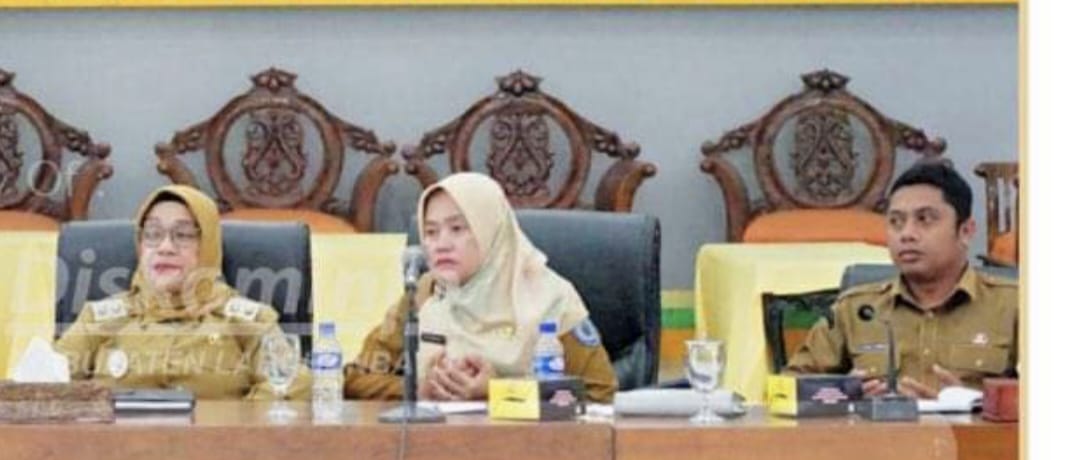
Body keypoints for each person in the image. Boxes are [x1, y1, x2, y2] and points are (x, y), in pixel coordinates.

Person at [344, 173, 617, 402]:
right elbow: (357, 377)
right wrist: (418, 390)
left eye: (457, 228)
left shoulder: (552, 298)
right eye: (431, 232)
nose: (441, 244)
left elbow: (600, 394)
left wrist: (497, 392)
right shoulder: (424, 293)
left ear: (491, 231)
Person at [54, 185, 311, 400]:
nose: (165, 247)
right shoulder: (100, 319)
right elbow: (47, 385)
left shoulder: (247, 321)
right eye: (152, 234)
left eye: (183, 235)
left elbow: (293, 385)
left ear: (207, 246)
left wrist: (230, 425)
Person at [786, 161, 1018, 399]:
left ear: (965, 231)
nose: (906, 234)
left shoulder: (1015, 305)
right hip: (879, 425)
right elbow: (788, 388)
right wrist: (844, 393)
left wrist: (974, 403)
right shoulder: (855, 309)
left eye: (924, 219)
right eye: (896, 222)